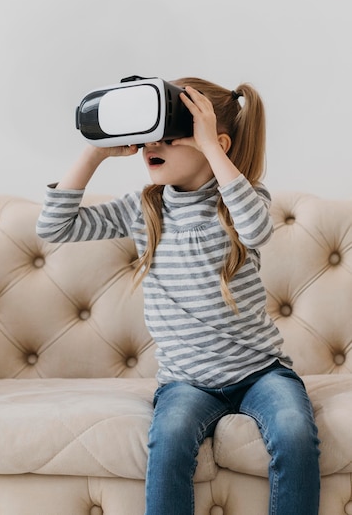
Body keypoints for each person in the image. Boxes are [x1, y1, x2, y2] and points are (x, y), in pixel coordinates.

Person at [36, 77, 320, 515]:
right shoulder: (143, 208)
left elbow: (258, 230)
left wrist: (212, 149)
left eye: (172, 138)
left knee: (295, 431)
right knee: (167, 445)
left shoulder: (240, 201)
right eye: (151, 137)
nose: (154, 146)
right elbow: (54, 227)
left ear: (215, 144)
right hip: (185, 381)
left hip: (261, 370)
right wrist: (96, 151)